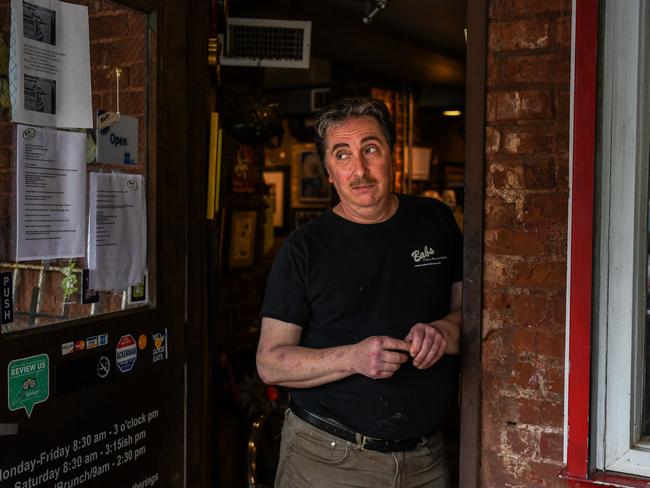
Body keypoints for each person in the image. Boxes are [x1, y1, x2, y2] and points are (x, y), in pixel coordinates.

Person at [257, 97, 463, 487]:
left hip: (426, 460)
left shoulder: (435, 220)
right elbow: (271, 362)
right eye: (343, 155)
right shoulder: (304, 249)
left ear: (392, 156)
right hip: (328, 461)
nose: (360, 169)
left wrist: (444, 332)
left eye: (370, 149)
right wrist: (354, 358)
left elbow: (470, 312)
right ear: (330, 173)